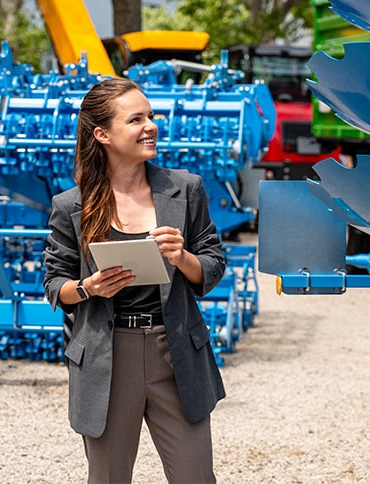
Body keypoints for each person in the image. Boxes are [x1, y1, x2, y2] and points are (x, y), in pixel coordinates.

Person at [43, 77, 226, 483]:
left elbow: (213, 264)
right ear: (103, 134)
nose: (150, 126)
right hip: (108, 356)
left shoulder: (185, 189)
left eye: (151, 116)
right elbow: (55, 285)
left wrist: (182, 258)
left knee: (196, 477)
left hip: (174, 349)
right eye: (136, 119)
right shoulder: (70, 206)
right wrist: (89, 287)